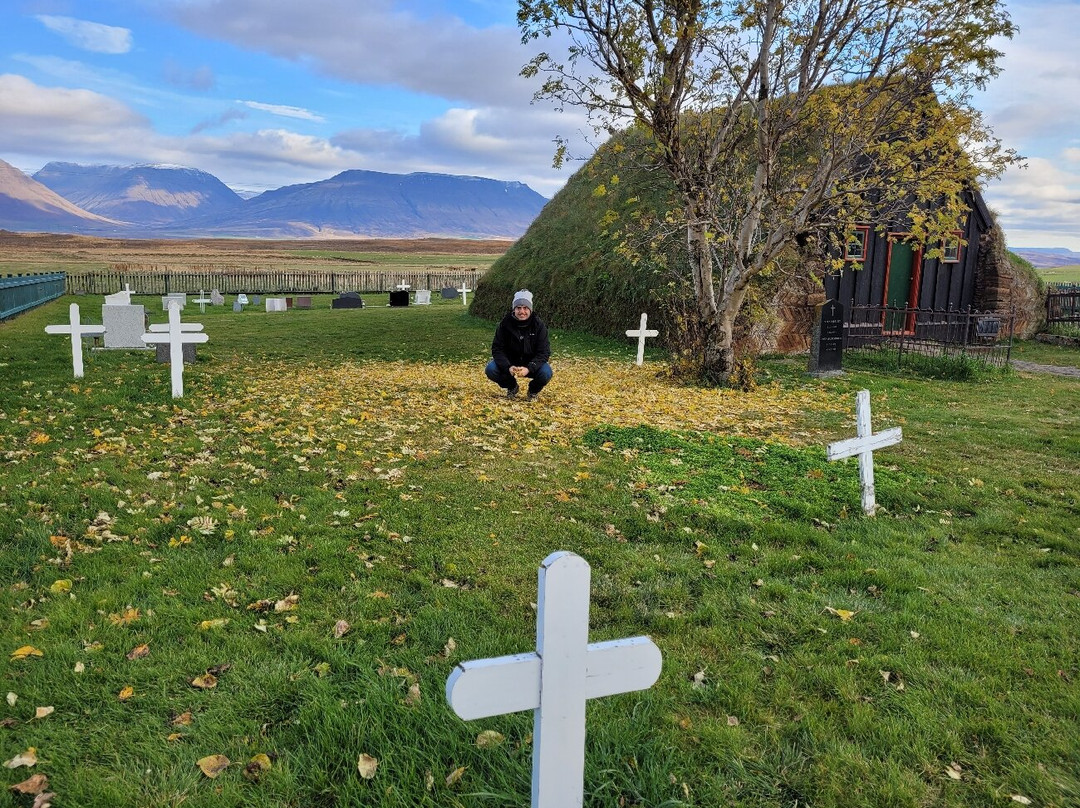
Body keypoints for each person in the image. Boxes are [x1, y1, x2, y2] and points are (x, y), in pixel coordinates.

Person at [485, 289, 552, 401]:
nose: (522, 311)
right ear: (514, 309)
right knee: (491, 369)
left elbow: (544, 352)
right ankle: (512, 386)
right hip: (510, 362)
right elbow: (497, 349)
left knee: (546, 373)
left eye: (525, 308)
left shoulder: (539, 326)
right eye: (518, 308)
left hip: (531, 362)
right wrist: (508, 367)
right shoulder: (504, 325)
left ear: (530, 309)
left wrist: (529, 368)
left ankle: (533, 391)